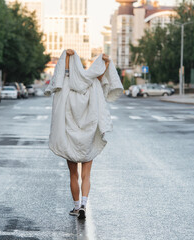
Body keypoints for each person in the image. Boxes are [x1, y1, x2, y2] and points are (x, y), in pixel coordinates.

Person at [45, 49, 123, 220]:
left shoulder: (67, 84)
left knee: (73, 174)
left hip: (70, 138)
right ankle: (84, 205)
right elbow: (102, 79)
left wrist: (67, 56)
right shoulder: (92, 84)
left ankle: (75, 206)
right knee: (86, 175)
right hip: (87, 136)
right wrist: (106, 62)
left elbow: (63, 74)